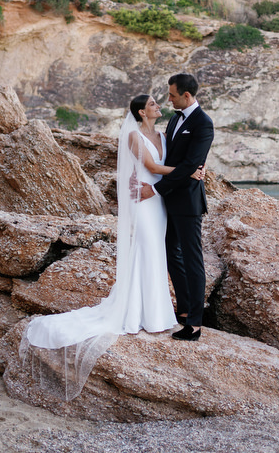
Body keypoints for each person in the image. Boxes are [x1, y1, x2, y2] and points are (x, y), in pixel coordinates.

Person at [19, 93, 204, 400]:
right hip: (144, 203)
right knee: (146, 250)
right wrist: (189, 172)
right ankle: (138, 314)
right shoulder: (134, 136)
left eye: (160, 103)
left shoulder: (162, 134)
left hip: (159, 202)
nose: (159, 107)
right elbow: (150, 167)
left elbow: (175, 159)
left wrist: (194, 167)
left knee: (158, 253)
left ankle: (157, 314)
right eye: (154, 105)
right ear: (141, 112)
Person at [139, 74, 214, 341]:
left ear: (186, 95)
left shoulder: (203, 123)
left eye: (172, 95)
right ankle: (183, 310)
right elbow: (174, 159)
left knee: (193, 260)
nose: (168, 99)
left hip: (187, 201)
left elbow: (192, 163)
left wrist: (156, 189)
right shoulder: (174, 119)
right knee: (171, 254)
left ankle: (194, 324)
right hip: (168, 199)